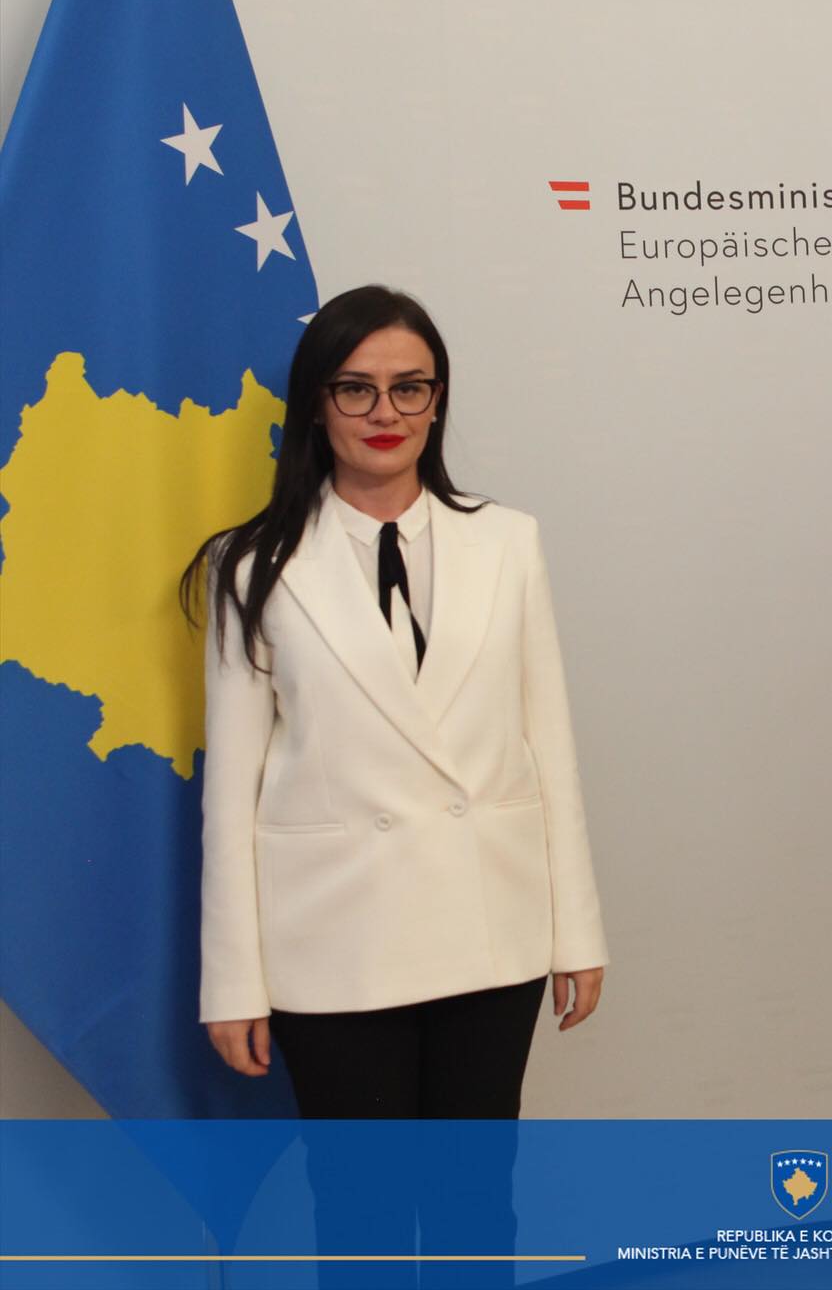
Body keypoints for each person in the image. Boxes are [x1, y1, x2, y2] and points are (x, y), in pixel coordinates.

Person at [185, 284, 606, 1118]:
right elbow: (229, 794)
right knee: (360, 1191)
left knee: (476, 1187)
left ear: (437, 401)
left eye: (409, 387)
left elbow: (548, 750)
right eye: (356, 388)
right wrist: (232, 980)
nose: (386, 411)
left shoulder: (507, 541)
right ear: (316, 403)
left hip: (491, 929)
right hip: (334, 942)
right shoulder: (251, 564)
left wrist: (577, 931)